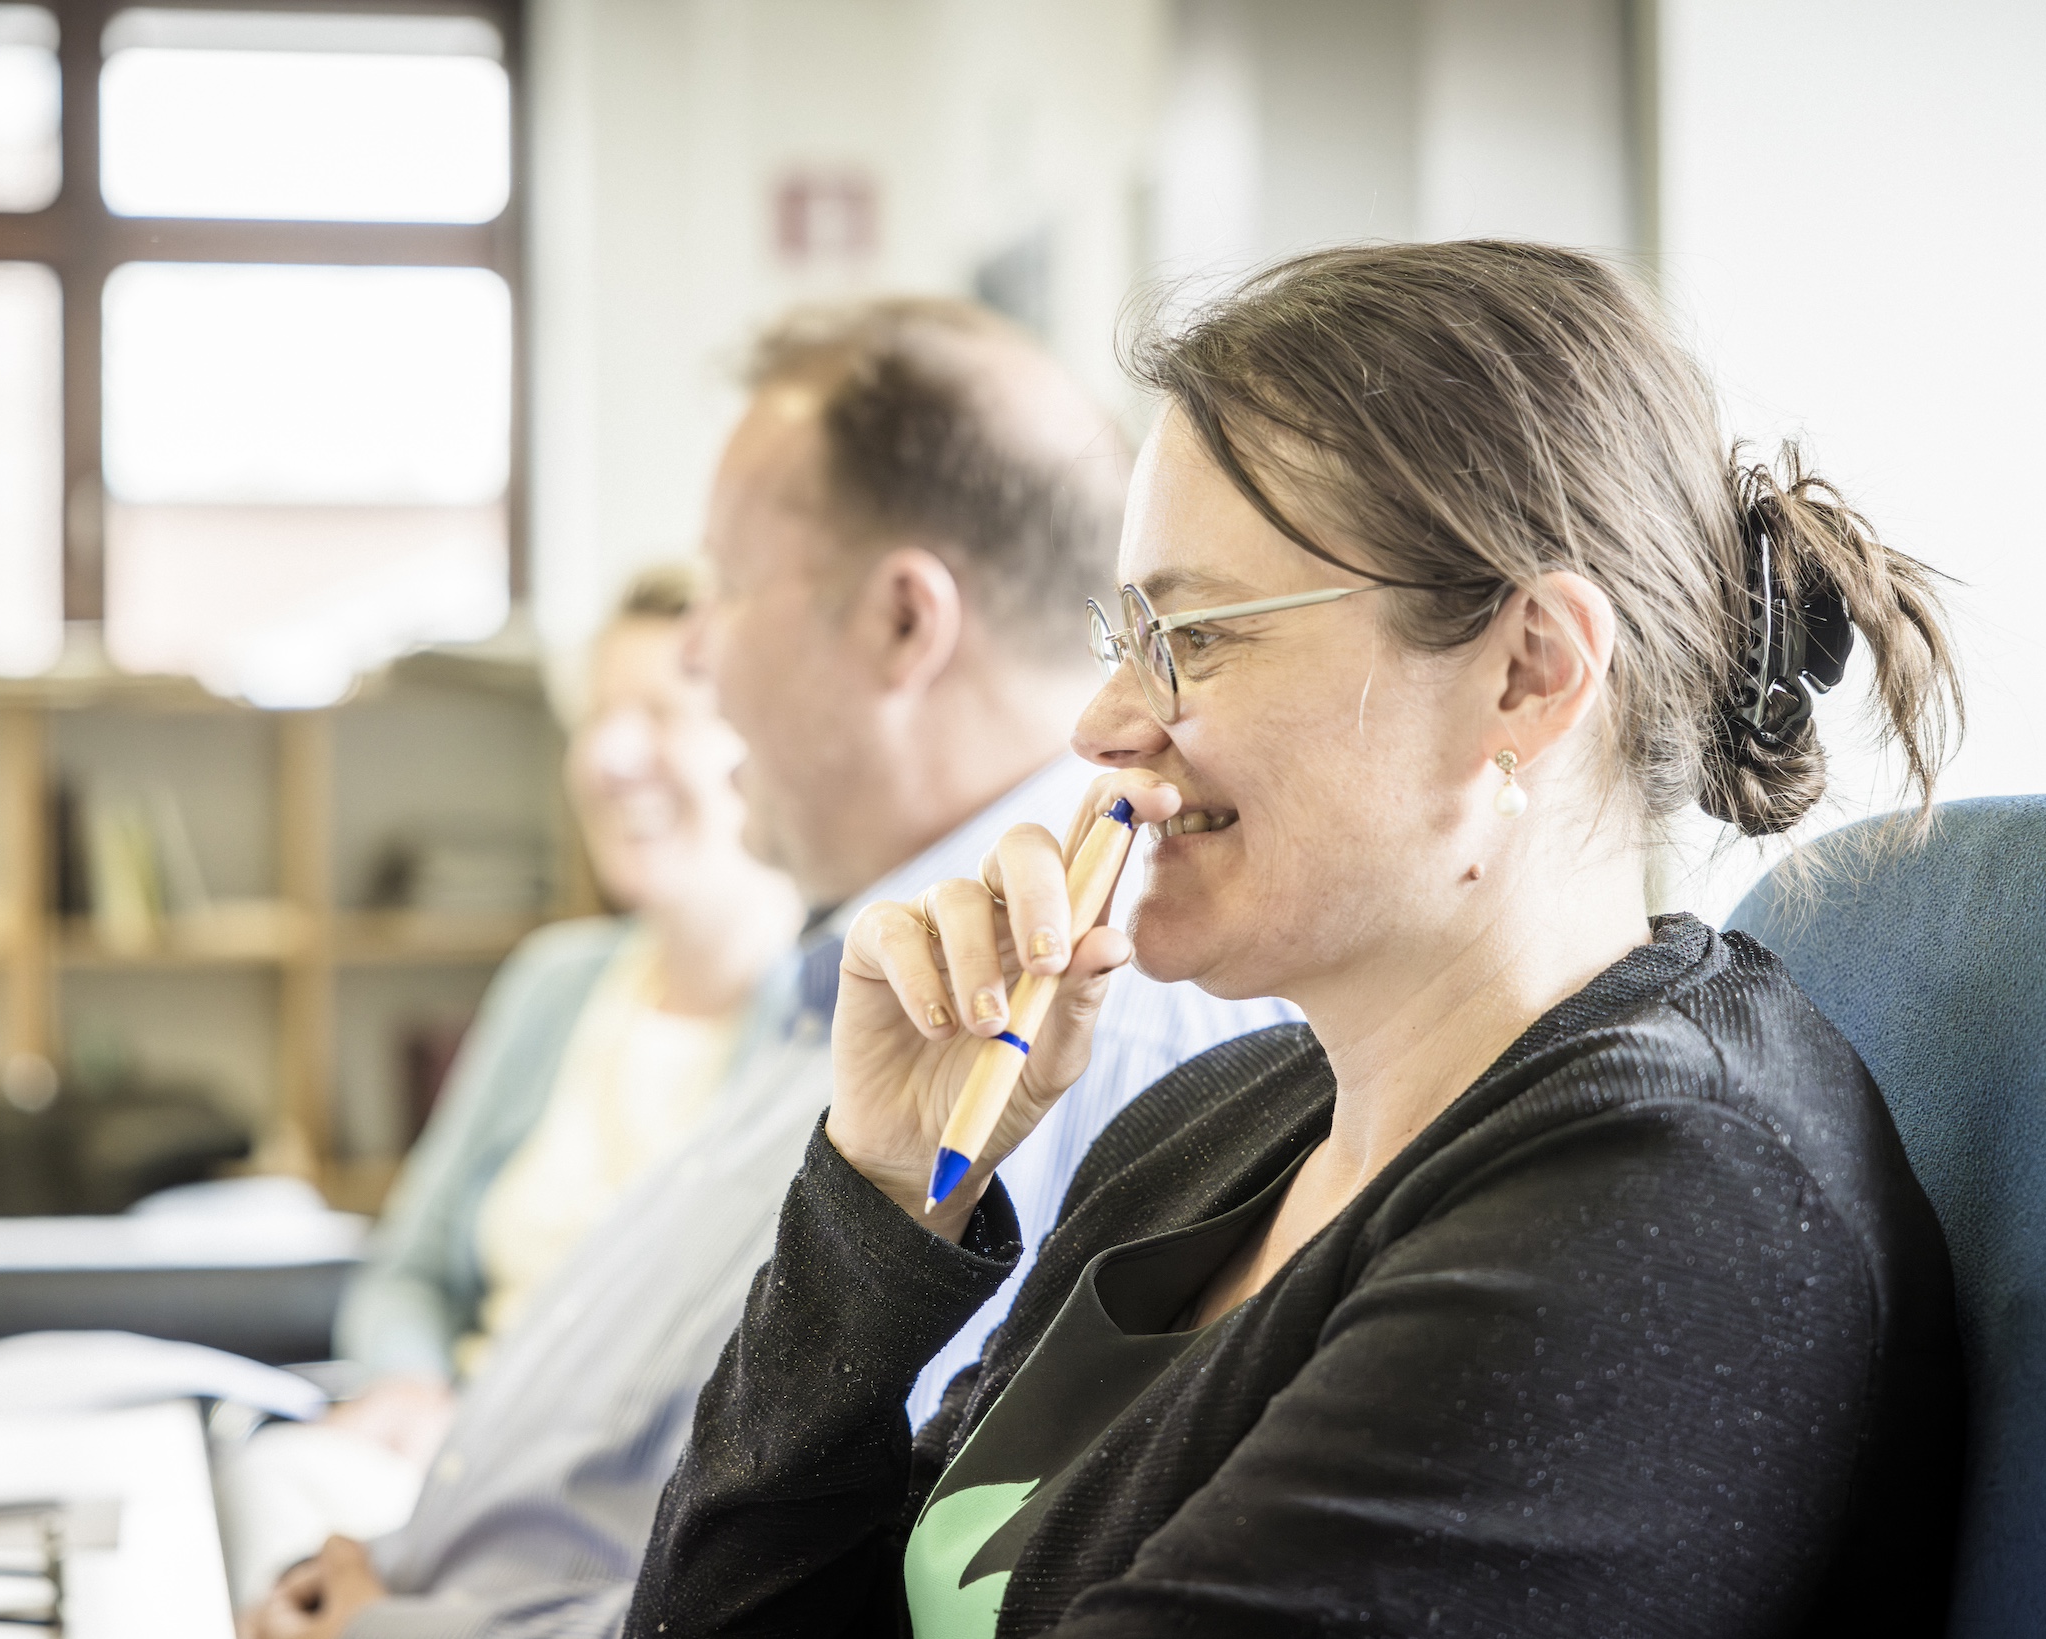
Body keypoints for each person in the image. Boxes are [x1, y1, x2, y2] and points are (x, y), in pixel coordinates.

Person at [628, 241, 1970, 1637]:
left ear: (1529, 675)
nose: (1099, 726)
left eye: (1193, 637)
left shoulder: (1663, 1212)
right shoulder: (1221, 1123)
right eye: (1124, 633)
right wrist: (882, 1193)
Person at [246, 298, 1292, 1639]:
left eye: (727, 583)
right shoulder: (866, 968)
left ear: (904, 624)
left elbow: (860, 1579)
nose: (695, 650)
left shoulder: (1071, 1016)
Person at [221, 563, 802, 1604]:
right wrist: (412, 1384)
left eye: (660, 712)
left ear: (758, 739)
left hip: (603, 1521)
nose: (612, 757)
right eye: (598, 716)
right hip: (442, 1454)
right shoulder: (554, 984)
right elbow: (409, 1267)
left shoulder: (820, 1036)